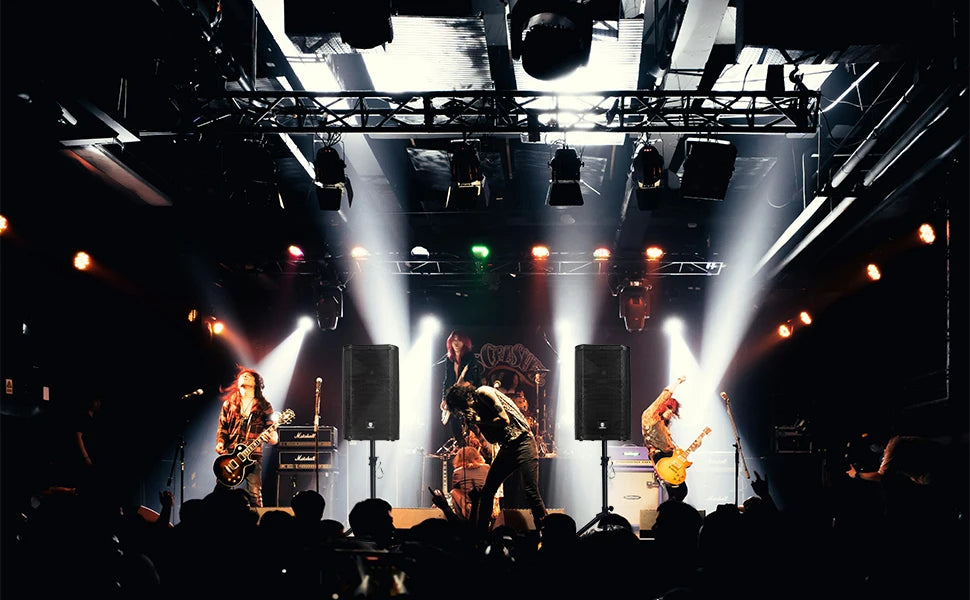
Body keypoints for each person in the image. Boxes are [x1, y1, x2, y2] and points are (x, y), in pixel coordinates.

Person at [443, 381, 548, 534]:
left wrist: (479, 420)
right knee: (487, 492)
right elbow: (492, 439)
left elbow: (504, 419)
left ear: (465, 399)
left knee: (531, 491)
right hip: (508, 448)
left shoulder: (484, 392)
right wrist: (477, 424)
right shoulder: (476, 411)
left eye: (462, 408)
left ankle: (546, 531)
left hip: (523, 442)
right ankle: (481, 535)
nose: (463, 412)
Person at [214, 368, 279, 508]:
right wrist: (220, 442)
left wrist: (271, 437)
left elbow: (272, 433)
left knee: (254, 495)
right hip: (230, 455)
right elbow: (222, 427)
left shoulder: (264, 406)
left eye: (249, 376)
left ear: (257, 383)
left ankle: (256, 520)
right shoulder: (229, 404)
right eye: (242, 376)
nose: (245, 377)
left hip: (253, 456)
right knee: (220, 494)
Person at [641, 375, 689, 502]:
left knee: (679, 492)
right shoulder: (650, 416)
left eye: (673, 412)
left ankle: (668, 512)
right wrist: (678, 382)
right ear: (663, 406)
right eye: (669, 409)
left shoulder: (664, 425)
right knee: (679, 492)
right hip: (660, 458)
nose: (671, 413)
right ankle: (667, 512)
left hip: (669, 458)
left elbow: (670, 447)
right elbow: (664, 396)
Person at [439, 330, 483, 440]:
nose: (456, 343)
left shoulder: (470, 358)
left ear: (464, 342)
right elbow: (447, 380)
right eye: (454, 340)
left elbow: (471, 380)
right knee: (454, 420)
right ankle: (460, 443)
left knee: (470, 420)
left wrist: (458, 388)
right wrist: (444, 398)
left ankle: (477, 438)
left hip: (469, 393)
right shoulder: (449, 359)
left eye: (459, 340)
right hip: (456, 394)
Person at [450, 445, 500, 522]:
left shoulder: (457, 472)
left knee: (454, 492)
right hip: (488, 505)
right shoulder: (487, 467)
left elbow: (455, 488)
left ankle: (461, 521)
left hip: (470, 508)